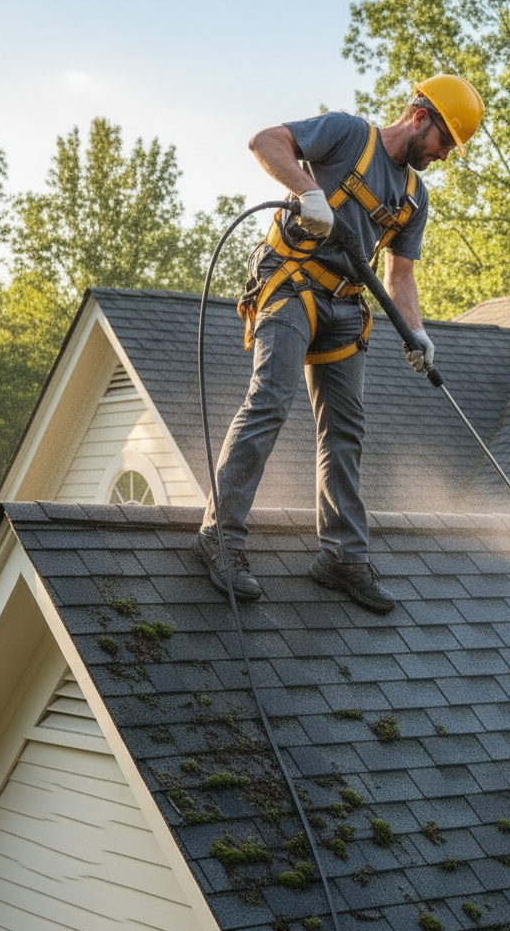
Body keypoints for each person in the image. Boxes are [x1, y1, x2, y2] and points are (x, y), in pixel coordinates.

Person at [193, 75, 485, 615]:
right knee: (270, 400)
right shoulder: (349, 134)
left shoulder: (414, 197)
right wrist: (308, 192)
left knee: (346, 430)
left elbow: (400, 276)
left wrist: (417, 332)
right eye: (445, 141)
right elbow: (265, 141)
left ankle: (343, 558)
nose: (444, 154)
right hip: (291, 282)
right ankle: (220, 536)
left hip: (346, 304)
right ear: (420, 117)